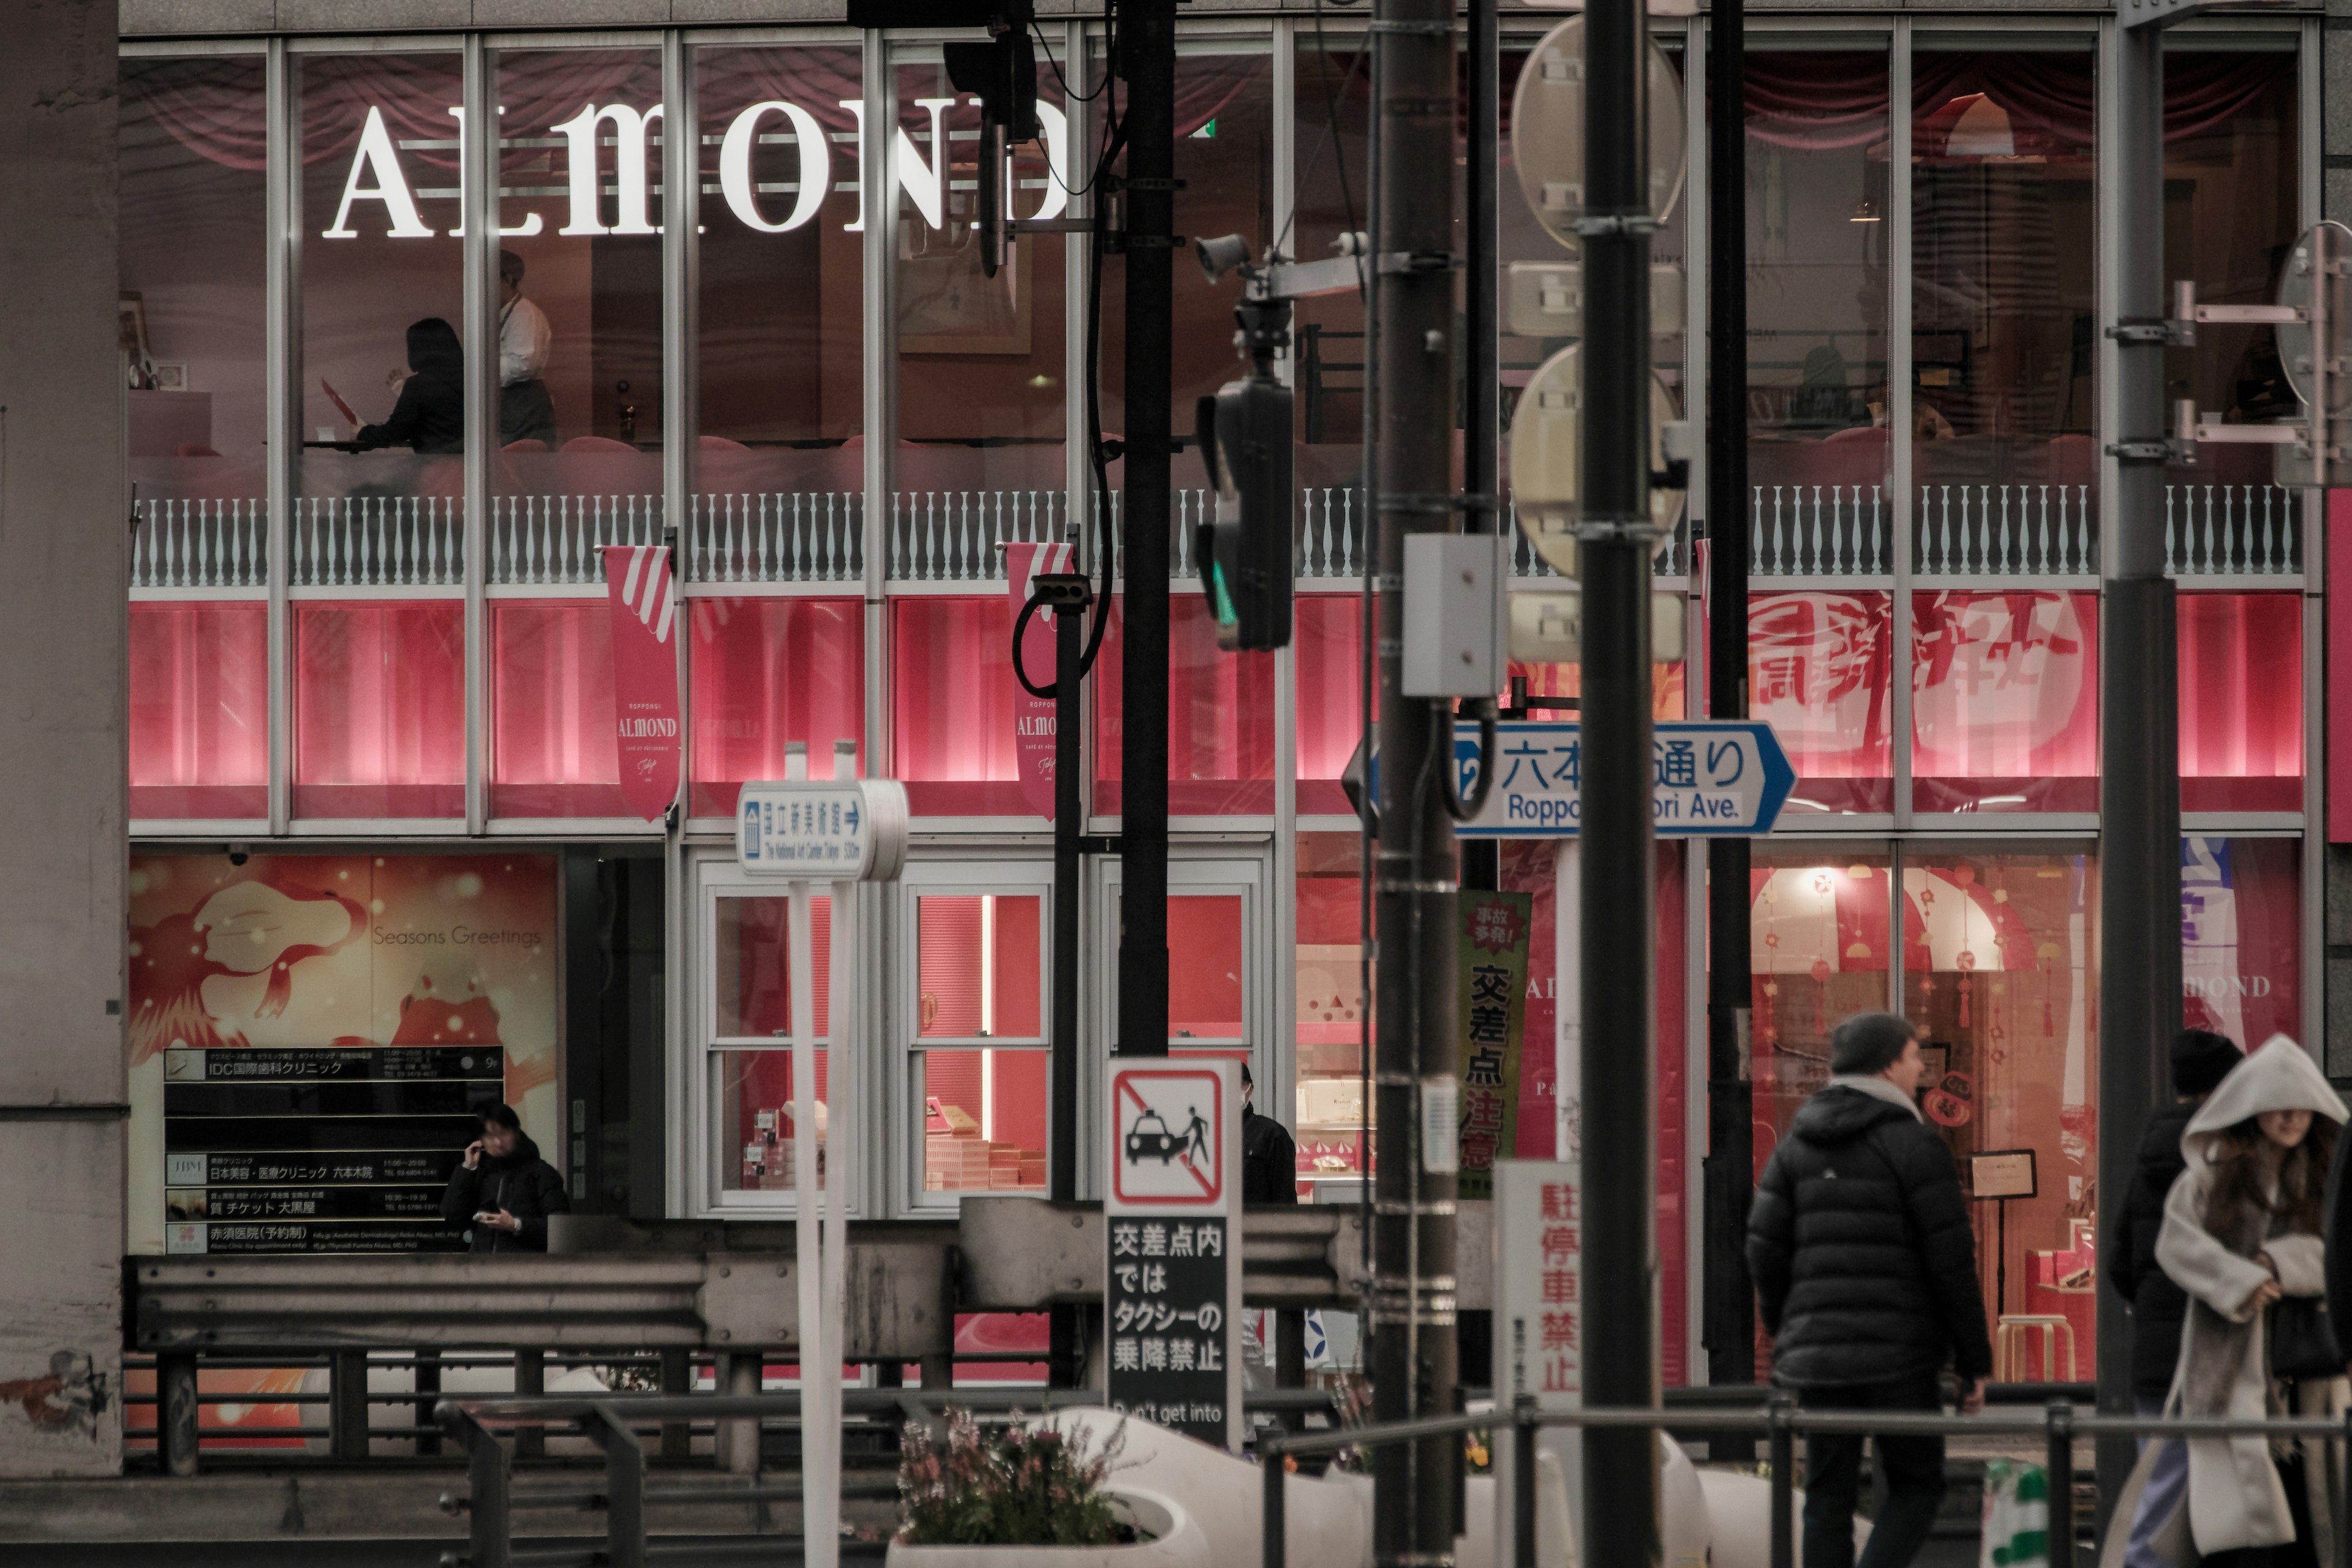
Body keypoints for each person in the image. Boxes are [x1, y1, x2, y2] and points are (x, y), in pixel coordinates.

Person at [1746, 1012, 1991, 1568]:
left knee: (1827, 1495)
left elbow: (1763, 1248)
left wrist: (1788, 1328)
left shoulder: (1793, 1146)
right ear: (1886, 1065)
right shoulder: (1915, 1147)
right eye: (1912, 1055)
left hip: (1818, 1357)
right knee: (1917, 1486)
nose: (1921, 1066)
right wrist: (1973, 1359)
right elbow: (1951, 1262)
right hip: (1900, 1357)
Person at [2149, 1035, 2348, 1567]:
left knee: (2313, 1523)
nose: (2290, 1117)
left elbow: (2341, 1250)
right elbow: (2176, 1242)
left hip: (2314, 1373)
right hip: (2231, 1363)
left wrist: (2285, 1265)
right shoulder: (2212, 1176)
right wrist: (2237, 1280)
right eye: (2276, 1105)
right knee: (2243, 1535)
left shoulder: (2329, 1175)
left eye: (2299, 1105)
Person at [2107, 1028, 2245, 1568]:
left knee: (2160, 1492)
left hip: (2157, 1356)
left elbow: (2120, 1261)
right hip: (2222, 1348)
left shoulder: (2149, 1151)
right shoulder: (2232, 1153)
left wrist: (2150, 1307)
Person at [440, 1103, 568, 1254]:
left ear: (516, 1133)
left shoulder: (541, 1172)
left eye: (503, 1133)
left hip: (527, 1270)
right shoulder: (480, 1173)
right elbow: (452, 1216)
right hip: (483, 1270)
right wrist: (468, 1168)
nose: (498, 1143)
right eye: (490, 1136)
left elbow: (560, 1228)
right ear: (481, 1140)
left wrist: (516, 1225)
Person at [355, 318, 464, 455]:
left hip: (438, 466)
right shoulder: (473, 380)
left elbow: (395, 431)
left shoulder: (419, 385)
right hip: (471, 467)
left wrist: (362, 432)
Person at [497, 250, 557, 446]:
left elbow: (524, 364)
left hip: (524, 402)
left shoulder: (524, 314)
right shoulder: (505, 311)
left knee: (523, 462)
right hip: (512, 402)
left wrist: (483, 371)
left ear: (507, 279)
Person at [1240, 1061, 1298, 1205]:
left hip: (1258, 1225)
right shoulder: (1208, 1135)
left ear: (1250, 1088)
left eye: (1238, 1084)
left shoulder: (1272, 1135)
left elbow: (1284, 1199)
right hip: (1213, 1226)